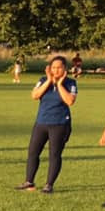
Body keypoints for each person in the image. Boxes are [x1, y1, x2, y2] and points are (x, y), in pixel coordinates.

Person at [16, 55, 77, 193]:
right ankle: (29, 182)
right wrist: (49, 80)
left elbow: (70, 101)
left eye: (59, 68)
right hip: (41, 123)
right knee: (33, 152)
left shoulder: (70, 83)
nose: (56, 70)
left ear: (64, 69)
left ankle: (49, 185)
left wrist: (59, 84)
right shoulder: (43, 80)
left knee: (54, 155)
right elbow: (34, 95)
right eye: (53, 67)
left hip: (60, 124)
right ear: (49, 69)